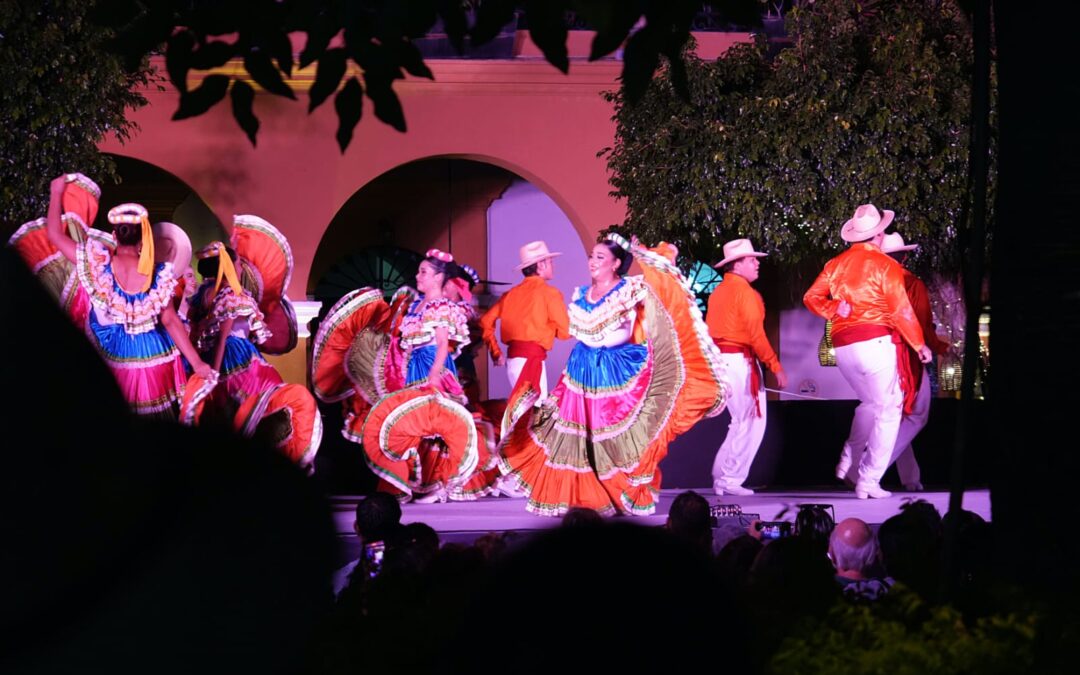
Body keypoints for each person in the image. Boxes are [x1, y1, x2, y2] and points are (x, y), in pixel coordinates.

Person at [499, 234, 727, 516]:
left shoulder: (628, 289)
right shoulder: (581, 293)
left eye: (600, 257)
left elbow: (658, 285)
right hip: (581, 371)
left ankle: (619, 491)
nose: (592, 262)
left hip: (615, 371)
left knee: (615, 436)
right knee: (580, 437)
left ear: (616, 263)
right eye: (592, 256)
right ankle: (585, 496)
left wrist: (644, 252)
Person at [43, 175, 213, 418]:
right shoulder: (159, 275)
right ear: (144, 239)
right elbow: (171, 321)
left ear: (114, 235)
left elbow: (55, 236)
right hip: (154, 356)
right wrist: (197, 363)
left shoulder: (98, 264)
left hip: (115, 356)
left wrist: (56, 193)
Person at [803, 204, 932, 499]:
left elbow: (810, 297)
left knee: (871, 404)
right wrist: (919, 344)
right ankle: (868, 479)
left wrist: (833, 307)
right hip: (875, 341)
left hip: (844, 347)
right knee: (889, 408)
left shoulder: (835, 264)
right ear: (880, 234)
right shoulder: (886, 265)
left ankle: (850, 459)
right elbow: (900, 310)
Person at [839, 232, 952, 491]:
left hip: (877, 349)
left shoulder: (868, 282)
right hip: (906, 353)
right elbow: (921, 326)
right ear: (905, 255)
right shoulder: (911, 282)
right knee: (915, 415)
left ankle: (910, 477)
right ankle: (865, 471)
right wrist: (940, 347)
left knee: (893, 416)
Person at [706, 238, 787, 496]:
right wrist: (775, 365)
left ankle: (722, 475)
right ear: (737, 265)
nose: (757, 263)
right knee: (751, 421)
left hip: (721, 361)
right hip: (739, 361)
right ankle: (729, 479)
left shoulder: (719, 291)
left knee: (740, 421)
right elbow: (756, 335)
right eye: (752, 259)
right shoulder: (745, 293)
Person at [479, 240, 570, 433]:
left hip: (514, 361)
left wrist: (496, 352)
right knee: (534, 416)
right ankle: (522, 457)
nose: (553, 266)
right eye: (550, 262)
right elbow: (565, 332)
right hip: (532, 360)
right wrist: (550, 326)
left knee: (527, 412)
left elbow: (486, 321)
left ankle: (521, 455)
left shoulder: (510, 294)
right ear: (541, 265)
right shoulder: (550, 294)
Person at [189, 241, 283, 411]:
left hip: (210, 355)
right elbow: (221, 339)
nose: (241, 269)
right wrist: (214, 378)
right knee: (254, 403)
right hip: (234, 354)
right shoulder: (231, 297)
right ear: (228, 267)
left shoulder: (205, 297)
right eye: (238, 264)